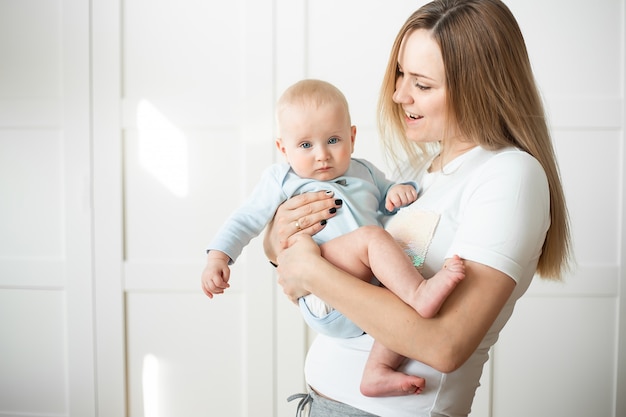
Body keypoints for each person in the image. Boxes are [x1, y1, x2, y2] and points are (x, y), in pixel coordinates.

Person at [264, 1, 573, 416]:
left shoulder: (510, 176)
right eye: (401, 74)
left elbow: (444, 346)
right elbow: (342, 273)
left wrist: (311, 270)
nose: (398, 94)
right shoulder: (415, 173)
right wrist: (277, 244)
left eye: (422, 85)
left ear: (479, 88)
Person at [202, 79, 465, 397]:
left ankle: (377, 370)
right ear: (283, 148)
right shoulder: (283, 179)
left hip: (366, 299)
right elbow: (245, 219)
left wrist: (397, 191)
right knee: (373, 239)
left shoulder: (364, 171)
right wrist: (219, 256)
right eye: (305, 146)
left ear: (352, 137)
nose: (322, 155)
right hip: (322, 294)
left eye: (333, 140)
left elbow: (388, 196)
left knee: (401, 280)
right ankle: (421, 294)